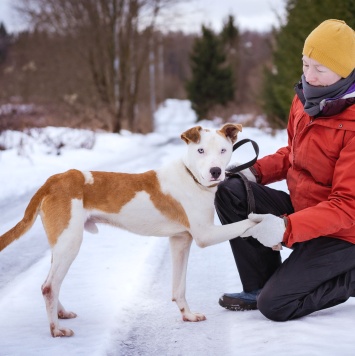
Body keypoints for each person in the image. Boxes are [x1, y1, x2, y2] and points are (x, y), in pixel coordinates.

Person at [215, 19, 355, 321]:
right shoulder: (305, 100)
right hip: (307, 209)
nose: (309, 76)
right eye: (306, 64)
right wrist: (252, 173)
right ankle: (259, 285)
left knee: (277, 305)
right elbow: (293, 155)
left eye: (320, 68)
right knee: (230, 191)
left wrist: (286, 228)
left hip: (345, 235)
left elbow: (347, 206)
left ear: (344, 71)